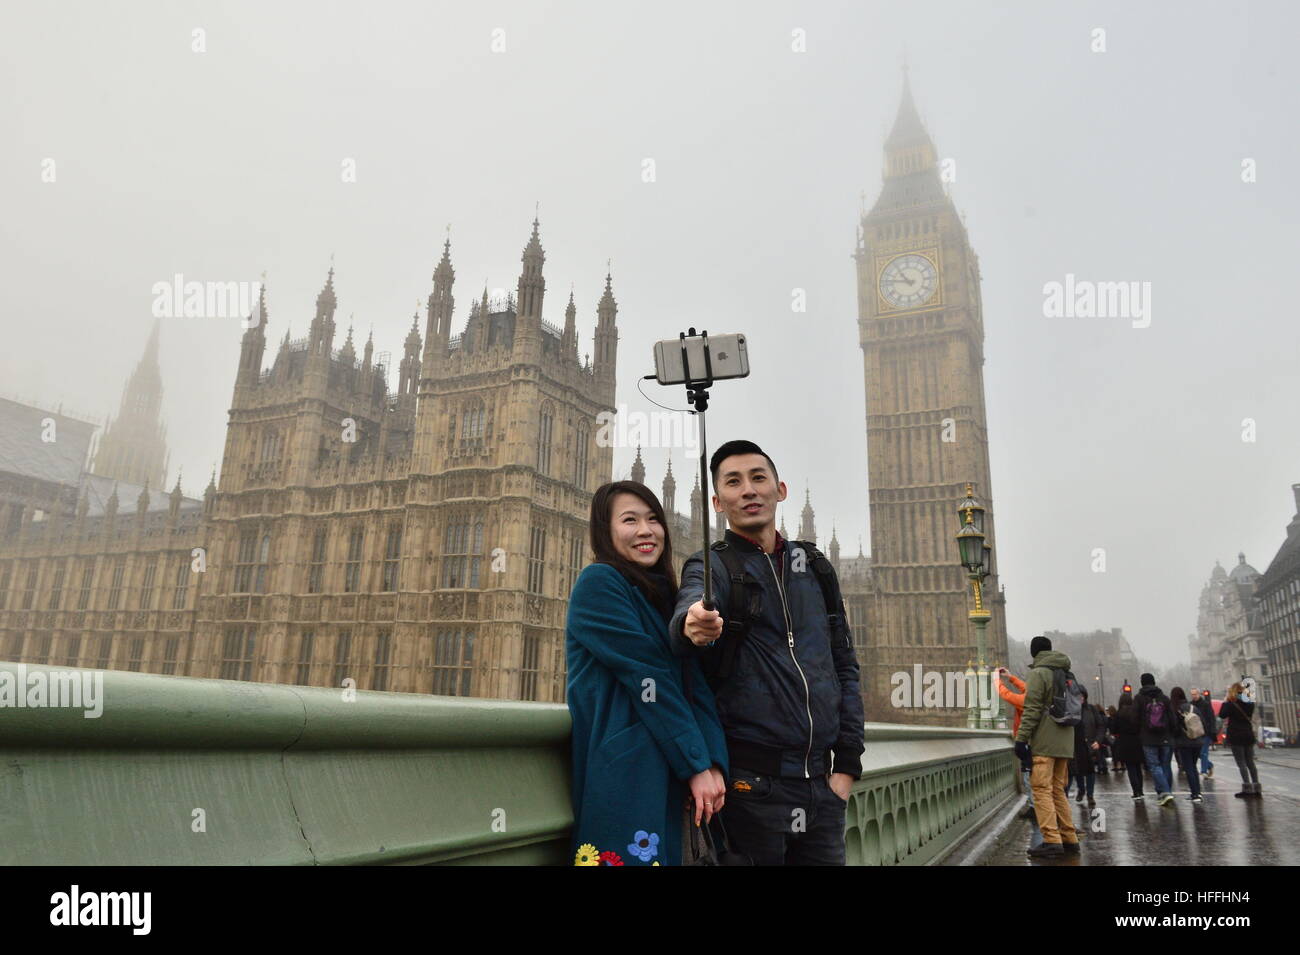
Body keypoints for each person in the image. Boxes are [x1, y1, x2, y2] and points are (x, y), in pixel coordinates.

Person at [671, 440, 865, 865]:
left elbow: (845, 667)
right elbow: (690, 609)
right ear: (718, 503)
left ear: (781, 489)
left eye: (758, 478)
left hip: (821, 789)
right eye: (734, 483)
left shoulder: (816, 569)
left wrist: (846, 769)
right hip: (749, 791)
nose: (749, 490)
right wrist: (692, 623)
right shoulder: (712, 565)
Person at [565, 481, 729, 866]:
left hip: (677, 777)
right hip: (628, 776)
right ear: (604, 530)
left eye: (654, 519)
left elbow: (695, 687)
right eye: (630, 520)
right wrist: (697, 763)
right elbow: (647, 676)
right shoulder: (599, 584)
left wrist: (713, 763)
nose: (645, 530)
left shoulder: (666, 598)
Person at [1014, 634, 1079, 858]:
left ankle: (1051, 840)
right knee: (1058, 790)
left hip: (1045, 741)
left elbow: (1031, 710)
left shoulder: (1039, 673)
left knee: (1041, 790)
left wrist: (1022, 739)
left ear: (1034, 653)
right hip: (1064, 740)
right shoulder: (1066, 672)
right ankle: (1069, 838)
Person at [996, 666, 1043, 851]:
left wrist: (996, 682)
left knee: (1030, 776)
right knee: (1029, 774)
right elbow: (1024, 687)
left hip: (1028, 742)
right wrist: (1011, 677)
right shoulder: (1036, 694)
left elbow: (1008, 696)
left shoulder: (1028, 700)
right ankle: (1034, 807)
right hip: (1031, 741)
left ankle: (1039, 815)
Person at [1133, 673, 1178, 806]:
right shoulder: (1163, 698)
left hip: (1148, 738)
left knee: (1154, 766)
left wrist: (1139, 732)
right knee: (1165, 766)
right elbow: (1172, 717)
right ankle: (1165, 792)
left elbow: (1134, 719)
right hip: (1165, 737)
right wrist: (1172, 732)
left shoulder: (1139, 698)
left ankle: (1165, 792)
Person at [1220, 683, 1262, 798]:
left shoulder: (1231, 704)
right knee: (1250, 762)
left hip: (1236, 735)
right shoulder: (1249, 703)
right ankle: (1256, 787)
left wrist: (1225, 701)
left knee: (1241, 763)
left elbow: (1222, 714)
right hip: (1248, 734)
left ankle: (1247, 788)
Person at [1169, 687, 1204, 804]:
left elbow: (1174, 727)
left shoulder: (1175, 709)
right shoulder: (1194, 707)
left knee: (1189, 768)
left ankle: (1195, 794)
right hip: (1197, 741)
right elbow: (1202, 722)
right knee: (1193, 767)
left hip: (1184, 742)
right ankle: (1198, 792)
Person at [1072, 688, 1104, 807]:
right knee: (1078, 770)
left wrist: (1098, 741)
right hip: (1076, 745)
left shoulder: (1091, 709)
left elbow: (1100, 726)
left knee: (1090, 771)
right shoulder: (1071, 710)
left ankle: (1090, 794)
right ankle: (1081, 789)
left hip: (1090, 744)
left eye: (1082, 695)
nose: (1080, 698)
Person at [1112, 691, 1145, 801]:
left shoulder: (1118, 714)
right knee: (1138, 768)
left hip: (1124, 742)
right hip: (1137, 741)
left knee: (1131, 768)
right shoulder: (1136, 713)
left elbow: (1113, 729)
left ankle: (1136, 791)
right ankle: (1140, 790)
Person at [1194, 689, 1218, 778]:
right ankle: (1210, 765)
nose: (1194, 696)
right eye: (1192, 694)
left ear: (1199, 694)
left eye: (1195, 694)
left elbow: (1212, 718)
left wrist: (1212, 732)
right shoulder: (1192, 705)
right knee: (1198, 753)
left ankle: (1204, 771)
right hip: (1197, 733)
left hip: (1206, 732)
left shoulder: (1206, 704)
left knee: (1203, 752)